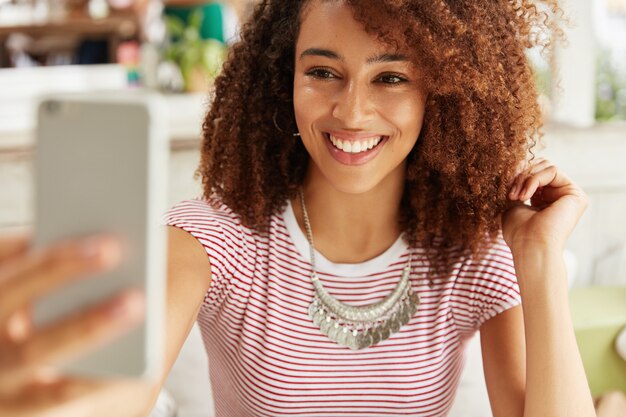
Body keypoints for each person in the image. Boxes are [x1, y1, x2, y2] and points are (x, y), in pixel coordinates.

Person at [0, 1, 597, 416]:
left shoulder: (469, 252)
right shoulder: (212, 240)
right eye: (322, 72)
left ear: (441, 91)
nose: (352, 112)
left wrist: (538, 258)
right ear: (280, 77)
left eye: (390, 78)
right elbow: (111, 400)